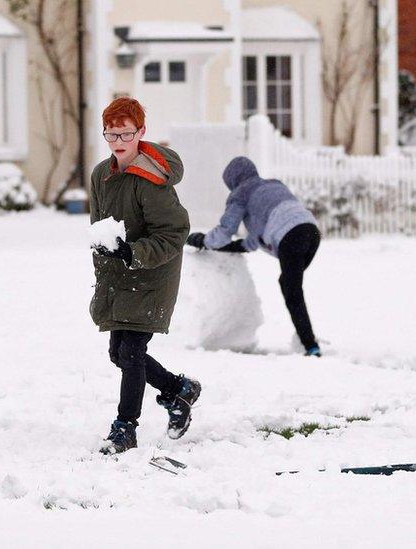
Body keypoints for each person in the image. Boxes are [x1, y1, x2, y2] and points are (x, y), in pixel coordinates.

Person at [89, 97, 201, 455]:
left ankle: (125, 428)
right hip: (119, 273)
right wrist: (107, 252)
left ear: (141, 133)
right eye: (111, 133)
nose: (118, 141)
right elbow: (100, 225)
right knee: (118, 353)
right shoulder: (101, 175)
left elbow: (174, 231)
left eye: (126, 133)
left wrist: (132, 253)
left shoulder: (150, 179)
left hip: (153, 274)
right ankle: (177, 389)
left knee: (132, 351)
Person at [186, 156, 322, 357]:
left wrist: (204, 241)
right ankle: (307, 340)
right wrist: (235, 247)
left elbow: (225, 230)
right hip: (311, 231)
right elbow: (261, 232)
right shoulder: (273, 185)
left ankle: (310, 346)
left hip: (290, 236)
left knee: (291, 289)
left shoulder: (240, 194)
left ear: (232, 181)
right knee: (290, 286)